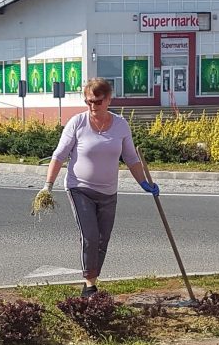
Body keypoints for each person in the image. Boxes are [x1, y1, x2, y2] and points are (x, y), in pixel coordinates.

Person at [36, 78, 159, 297]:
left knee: (103, 238)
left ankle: (92, 278)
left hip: (109, 192)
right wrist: (48, 186)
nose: (93, 106)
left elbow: (130, 157)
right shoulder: (77, 123)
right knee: (90, 235)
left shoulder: (121, 124)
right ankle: (89, 284)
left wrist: (144, 183)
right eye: (88, 101)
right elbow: (59, 154)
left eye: (98, 101)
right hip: (79, 188)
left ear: (109, 99)